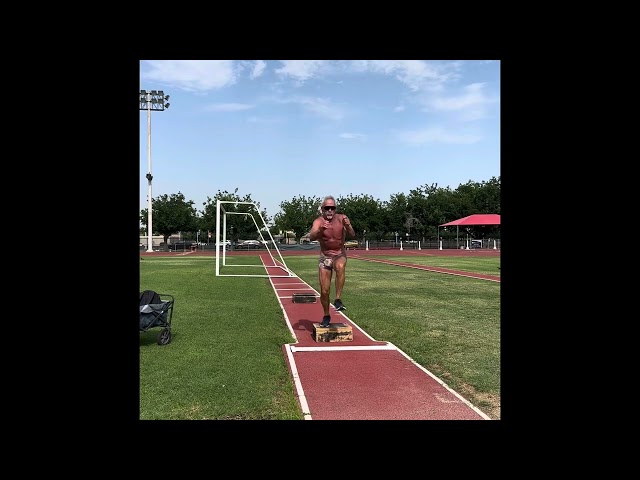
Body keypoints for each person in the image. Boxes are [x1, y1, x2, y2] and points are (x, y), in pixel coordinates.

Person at [308, 196, 356, 327]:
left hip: (339, 254)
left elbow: (352, 234)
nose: (330, 210)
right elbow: (311, 237)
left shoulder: (342, 218)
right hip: (325, 257)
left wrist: (348, 225)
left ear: (335, 209)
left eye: (332, 208)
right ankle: (326, 315)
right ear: (322, 209)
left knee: (340, 266)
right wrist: (320, 230)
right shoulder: (318, 221)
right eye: (327, 208)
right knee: (324, 291)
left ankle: (338, 299)